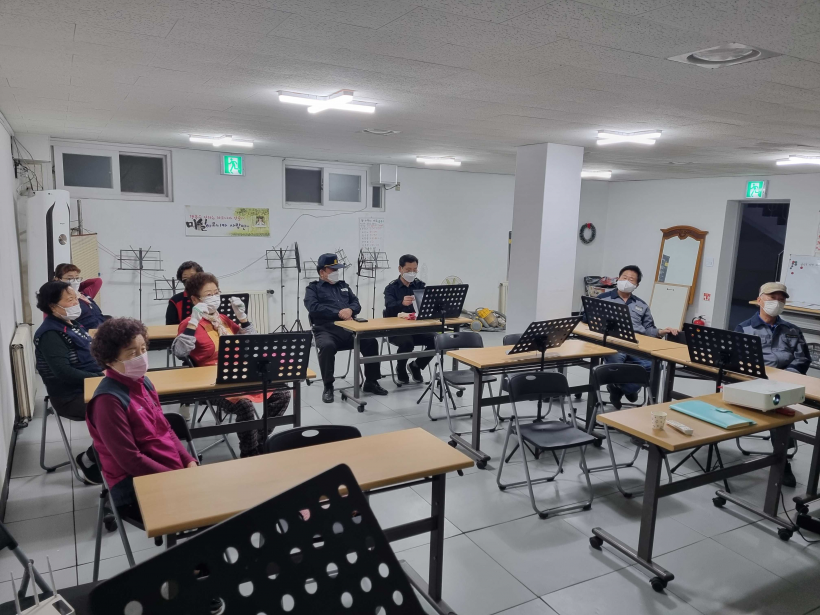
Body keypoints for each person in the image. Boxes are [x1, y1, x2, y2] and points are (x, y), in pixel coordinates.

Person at [87, 318, 197, 521]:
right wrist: (174, 477)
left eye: (143, 349)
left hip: (166, 469)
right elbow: (130, 459)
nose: (141, 357)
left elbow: (165, 428)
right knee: (205, 511)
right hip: (133, 483)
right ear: (110, 360)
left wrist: (189, 461)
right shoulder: (108, 401)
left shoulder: (143, 382)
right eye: (132, 353)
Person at [171, 272, 290, 457]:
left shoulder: (222, 319)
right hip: (212, 383)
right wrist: (194, 321)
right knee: (244, 406)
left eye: (216, 292)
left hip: (238, 373)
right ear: (195, 299)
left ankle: (258, 441)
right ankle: (249, 453)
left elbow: (250, 342)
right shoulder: (189, 323)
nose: (214, 297)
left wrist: (243, 318)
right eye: (208, 294)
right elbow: (179, 352)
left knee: (282, 394)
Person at [735, 281, 810, 487]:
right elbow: (739, 360)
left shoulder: (792, 330)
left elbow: (803, 358)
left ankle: (782, 456)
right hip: (756, 382)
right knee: (777, 406)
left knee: (778, 402)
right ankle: (782, 459)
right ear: (759, 300)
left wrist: (789, 376)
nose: (776, 302)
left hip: (787, 382)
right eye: (772, 298)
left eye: (781, 299)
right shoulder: (744, 328)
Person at [33, 281, 104, 484]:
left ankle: (114, 455)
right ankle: (90, 459)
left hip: (91, 386)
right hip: (70, 396)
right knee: (119, 411)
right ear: (53, 306)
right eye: (70, 299)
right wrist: (101, 378)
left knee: (135, 403)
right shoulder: (50, 333)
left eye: (76, 298)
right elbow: (64, 372)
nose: (76, 303)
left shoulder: (73, 324)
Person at [585, 265, 679, 409]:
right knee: (616, 363)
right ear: (618, 279)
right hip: (614, 343)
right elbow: (587, 317)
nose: (627, 281)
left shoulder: (641, 304)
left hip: (637, 345)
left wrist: (661, 332)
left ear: (636, 285)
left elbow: (648, 328)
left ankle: (621, 389)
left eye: (631, 279)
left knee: (653, 366)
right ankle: (623, 387)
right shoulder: (603, 298)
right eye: (624, 277)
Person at [304, 253, 386, 403]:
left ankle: (371, 381)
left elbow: (356, 303)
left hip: (348, 328)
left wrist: (350, 310)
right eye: (332, 269)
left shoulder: (343, 286)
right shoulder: (313, 288)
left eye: (337, 269)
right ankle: (328, 386)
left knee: (371, 342)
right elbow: (313, 307)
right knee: (327, 346)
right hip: (326, 329)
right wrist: (338, 313)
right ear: (322, 272)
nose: (336, 272)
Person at [383, 254, 434, 383]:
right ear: (400, 269)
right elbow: (389, 308)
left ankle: (416, 366)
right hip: (397, 329)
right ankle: (400, 368)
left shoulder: (420, 285)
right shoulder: (391, 288)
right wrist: (401, 303)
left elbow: (427, 306)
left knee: (437, 340)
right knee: (407, 343)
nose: (412, 273)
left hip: (417, 327)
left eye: (414, 269)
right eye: (408, 270)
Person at [53, 263, 105, 330]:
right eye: (70, 278)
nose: (75, 281)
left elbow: (97, 281)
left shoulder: (84, 294)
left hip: (103, 330)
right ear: (58, 279)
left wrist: (76, 288)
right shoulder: (59, 299)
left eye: (77, 278)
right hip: (85, 333)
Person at [165, 260, 203, 326]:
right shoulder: (175, 300)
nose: (189, 280)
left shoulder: (208, 296)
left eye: (192, 276)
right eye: (185, 277)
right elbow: (170, 326)